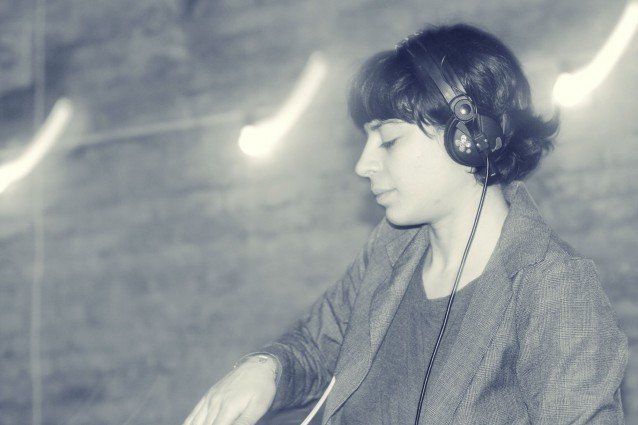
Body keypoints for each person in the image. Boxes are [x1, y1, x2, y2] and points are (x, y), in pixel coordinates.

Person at [183, 23, 628, 425]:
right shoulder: (393, 247)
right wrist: (264, 369)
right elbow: (317, 344)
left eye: (389, 140)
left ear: (468, 139)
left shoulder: (553, 285)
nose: (363, 164)